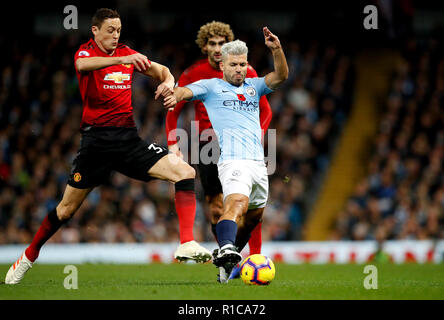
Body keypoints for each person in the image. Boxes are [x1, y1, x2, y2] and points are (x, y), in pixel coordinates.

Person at [5, 8, 211, 285]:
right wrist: (124, 58)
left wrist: (169, 82)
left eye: (118, 31)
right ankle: (29, 256)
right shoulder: (86, 53)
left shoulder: (127, 53)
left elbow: (161, 70)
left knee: (185, 172)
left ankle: (186, 243)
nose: (115, 36)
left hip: (128, 141)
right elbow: (81, 67)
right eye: (110, 30)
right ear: (95, 30)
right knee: (66, 210)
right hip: (96, 144)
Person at [164, 27, 288, 283]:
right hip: (231, 160)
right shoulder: (209, 86)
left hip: (257, 163)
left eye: (242, 64)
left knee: (255, 216)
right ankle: (229, 247)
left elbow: (281, 76)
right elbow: (184, 93)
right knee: (235, 204)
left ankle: (227, 254)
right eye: (234, 65)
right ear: (223, 66)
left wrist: (276, 49)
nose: (239, 69)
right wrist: (172, 92)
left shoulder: (255, 86)